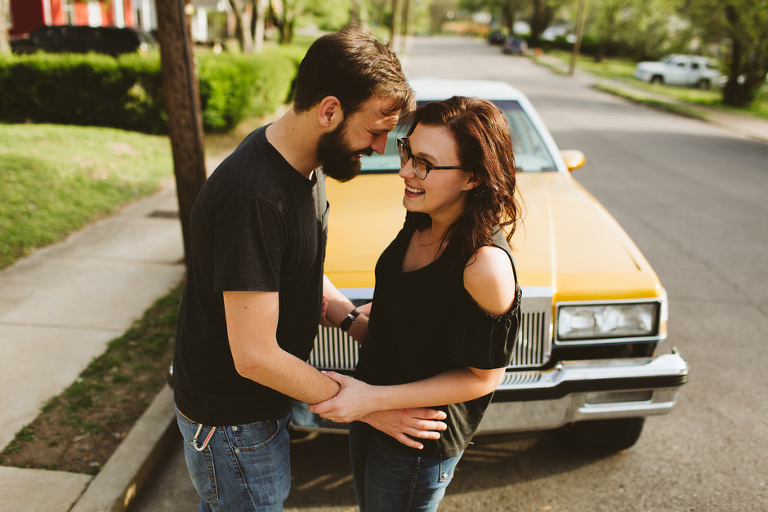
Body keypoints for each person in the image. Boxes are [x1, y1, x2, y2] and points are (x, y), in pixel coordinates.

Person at [172, 25, 448, 512]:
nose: (382, 148)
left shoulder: (303, 165)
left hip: (258, 408)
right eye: (376, 131)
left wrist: (346, 315)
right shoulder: (253, 197)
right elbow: (254, 355)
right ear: (329, 111)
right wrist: (366, 407)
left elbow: (289, 269)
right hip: (233, 420)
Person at [310, 96, 523, 511]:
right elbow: (412, 327)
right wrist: (347, 315)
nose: (405, 170)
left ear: (473, 177)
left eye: (425, 163)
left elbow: (483, 378)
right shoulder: (423, 215)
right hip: (372, 407)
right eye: (407, 150)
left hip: (416, 438)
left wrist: (370, 399)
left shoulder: (484, 266)